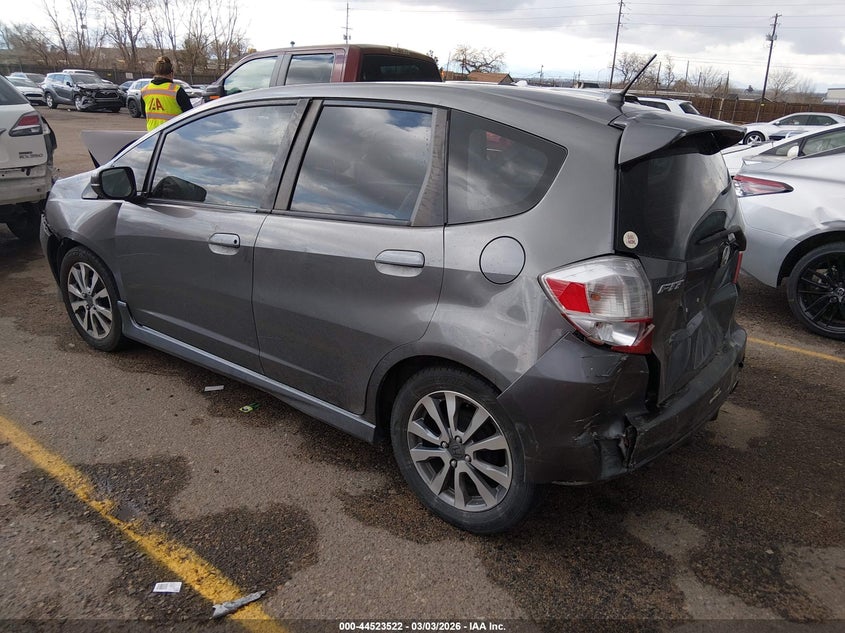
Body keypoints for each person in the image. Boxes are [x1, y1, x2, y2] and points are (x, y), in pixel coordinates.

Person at [140, 56, 193, 131]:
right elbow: (189, 114)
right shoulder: (176, 90)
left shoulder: (144, 91)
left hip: (154, 136)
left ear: (155, 73)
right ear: (171, 74)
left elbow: (145, 114)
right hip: (175, 135)